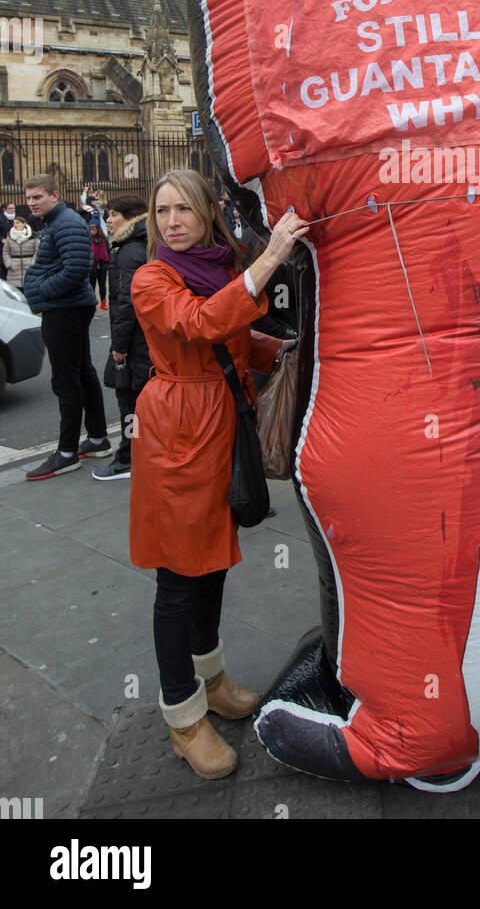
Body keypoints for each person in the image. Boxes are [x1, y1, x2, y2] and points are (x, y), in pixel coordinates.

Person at [129, 169, 306, 779]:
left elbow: (228, 338)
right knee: (179, 577)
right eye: (162, 211)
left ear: (207, 214)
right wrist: (274, 254)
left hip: (221, 422)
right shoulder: (151, 277)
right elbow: (200, 325)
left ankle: (213, 680)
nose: (172, 221)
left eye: (184, 209)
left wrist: (277, 349)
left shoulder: (214, 270)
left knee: (211, 561)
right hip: (179, 434)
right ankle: (183, 715)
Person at [22, 175, 111, 480]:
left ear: (55, 195)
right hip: (68, 306)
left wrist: (38, 290)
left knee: (66, 379)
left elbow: (76, 270)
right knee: (82, 371)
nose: (32, 202)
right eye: (29, 197)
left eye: (38, 197)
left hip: (66, 308)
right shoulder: (55, 222)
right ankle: (98, 439)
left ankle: (66, 452)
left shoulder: (66, 223)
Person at [91, 196, 152, 482]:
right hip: (143, 338)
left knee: (129, 402)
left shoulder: (129, 251)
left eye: (113, 214)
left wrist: (119, 346)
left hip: (134, 342)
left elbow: (127, 302)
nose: (108, 220)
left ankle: (129, 457)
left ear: (130, 216)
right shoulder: (140, 244)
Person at [2, 214, 40, 287]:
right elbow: (5, 251)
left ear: (24, 224)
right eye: (14, 223)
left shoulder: (33, 236)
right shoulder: (10, 237)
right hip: (14, 268)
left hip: (29, 266)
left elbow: (38, 251)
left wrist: (33, 263)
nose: (15, 224)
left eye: (18, 223)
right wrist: (8, 263)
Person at [88, 222, 110, 310]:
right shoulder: (88, 239)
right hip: (92, 266)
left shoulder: (103, 239)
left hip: (102, 265)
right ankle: (93, 303)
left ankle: (103, 301)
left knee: (102, 285)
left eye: (94, 229)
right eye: (91, 229)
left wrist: (107, 264)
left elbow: (108, 252)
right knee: (92, 285)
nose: (92, 231)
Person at [0, 201, 17, 278]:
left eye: (14, 208)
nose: (13, 210)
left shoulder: (16, 219)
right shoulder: (1, 219)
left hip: (13, 246)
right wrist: (1, 239)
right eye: (10, 208)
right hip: (3, 246)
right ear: (4, 209)